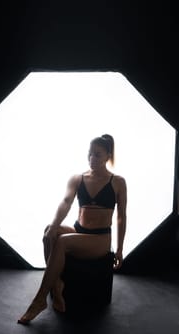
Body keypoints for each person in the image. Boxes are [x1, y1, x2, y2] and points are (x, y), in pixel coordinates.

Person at [18, 134, 127, 324]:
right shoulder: (78, 178)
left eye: (97, 155)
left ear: (108, 156)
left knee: (62, 241)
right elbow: (66, 202)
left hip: (99, 239)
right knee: (49, 232)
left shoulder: (118, 182)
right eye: (90, 154)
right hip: (79, 231)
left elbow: (121, 216)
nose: (92, 158)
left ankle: (40, 300)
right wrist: (54, 225)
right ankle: (57, 285)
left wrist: (119, 249)